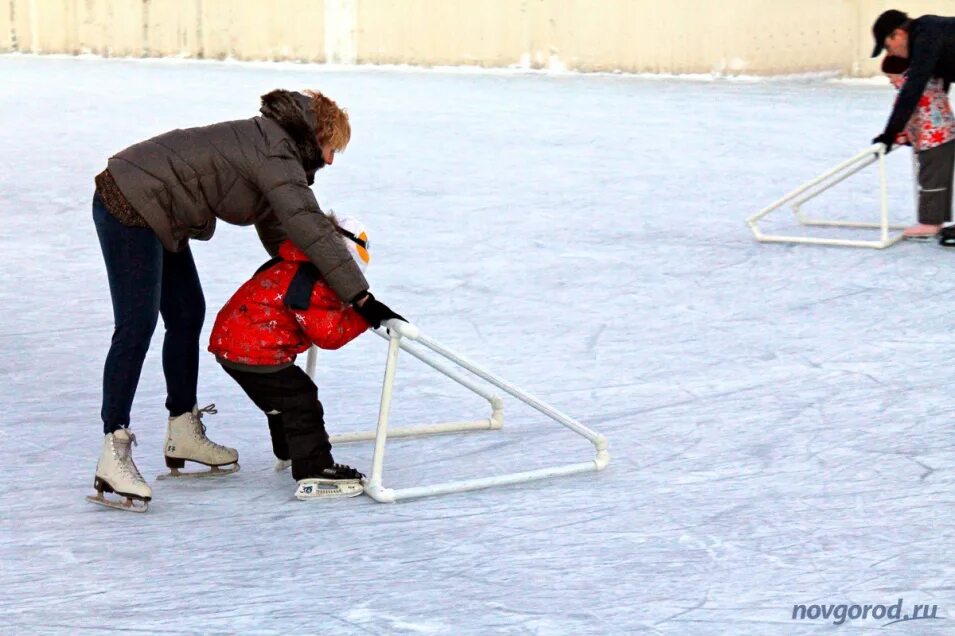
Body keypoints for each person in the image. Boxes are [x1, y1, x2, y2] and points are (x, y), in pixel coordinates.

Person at [88, 89, 403, 512]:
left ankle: (181, 427)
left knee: (186, 313)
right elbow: (307, 224)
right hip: (130, 198)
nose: (330, 160)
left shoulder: (273, 146)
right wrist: (359, 297)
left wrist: (317, 278)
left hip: (161, 207)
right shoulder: (277, 155)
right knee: (137, 323)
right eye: (331, 149)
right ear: (317, 136)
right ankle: (114, 448)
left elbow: (284, 235)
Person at [209, 215, 381, 500]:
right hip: (255, 351)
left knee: (282, 398)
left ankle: (289, 446)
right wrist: (363, 317)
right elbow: (328, 335)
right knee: (301, 399)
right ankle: (314, 468)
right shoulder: (311, 281)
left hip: (230, 345)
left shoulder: (289, 264)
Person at [881, 55, 955, 238]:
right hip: (946, 136)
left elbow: (904, 117)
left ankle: (930, 223)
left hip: (932, 141)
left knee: (930, 182)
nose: (891, 82)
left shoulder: (909, 92)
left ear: (902, 73)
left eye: (891, 77)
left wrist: (895, 138)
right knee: (940, 182)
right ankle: (936, 219)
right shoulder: (930, 81)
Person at [870, 10, 955, 153]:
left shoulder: (926, 38)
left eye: (887, 47)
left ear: (898, 34)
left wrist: (889, 135)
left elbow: (912, 90)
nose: (890, 53)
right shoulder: (927, 29)